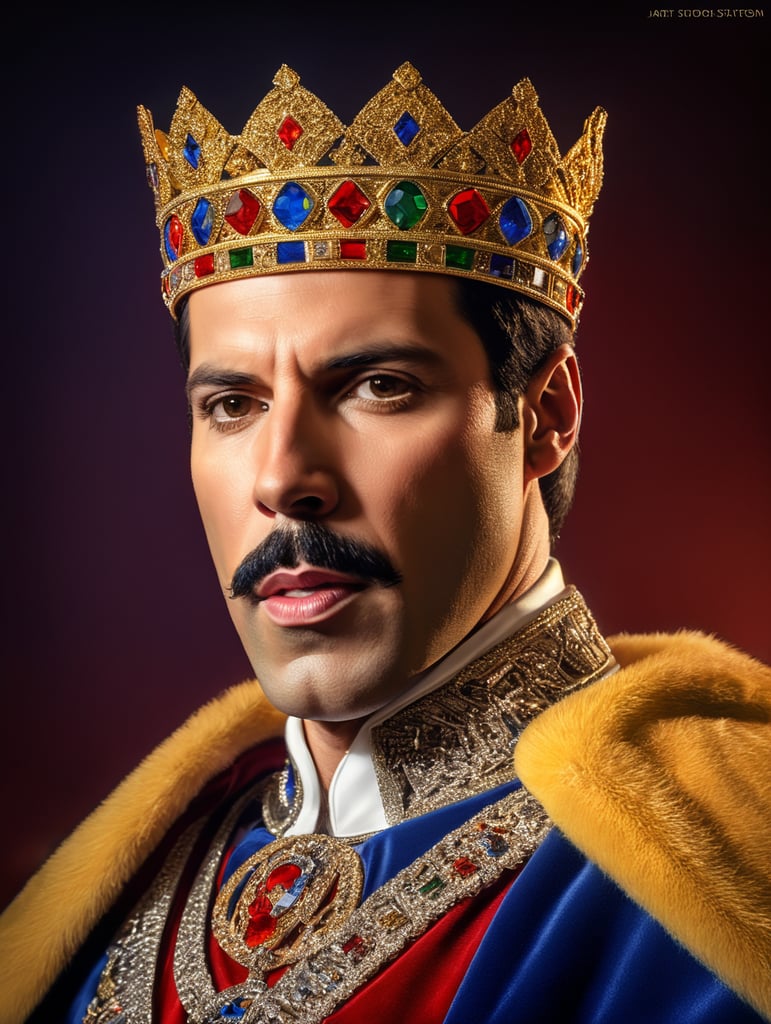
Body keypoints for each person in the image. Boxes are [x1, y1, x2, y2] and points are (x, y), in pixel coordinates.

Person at [1, 61, 769, 1024]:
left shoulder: (715, 875)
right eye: (232, 404)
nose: (283, 479)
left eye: (377, 386)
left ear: (546, 415)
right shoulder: (133, 877)